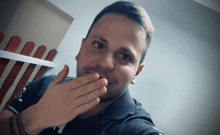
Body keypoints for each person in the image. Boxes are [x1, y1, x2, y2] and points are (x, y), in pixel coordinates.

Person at [0, 1, 165, 135]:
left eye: (125, 56)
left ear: (136, 73)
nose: (106, 63)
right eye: (99, 45)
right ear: (80, 49)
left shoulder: (135, 129)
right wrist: (37, 117)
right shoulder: (43, 86)